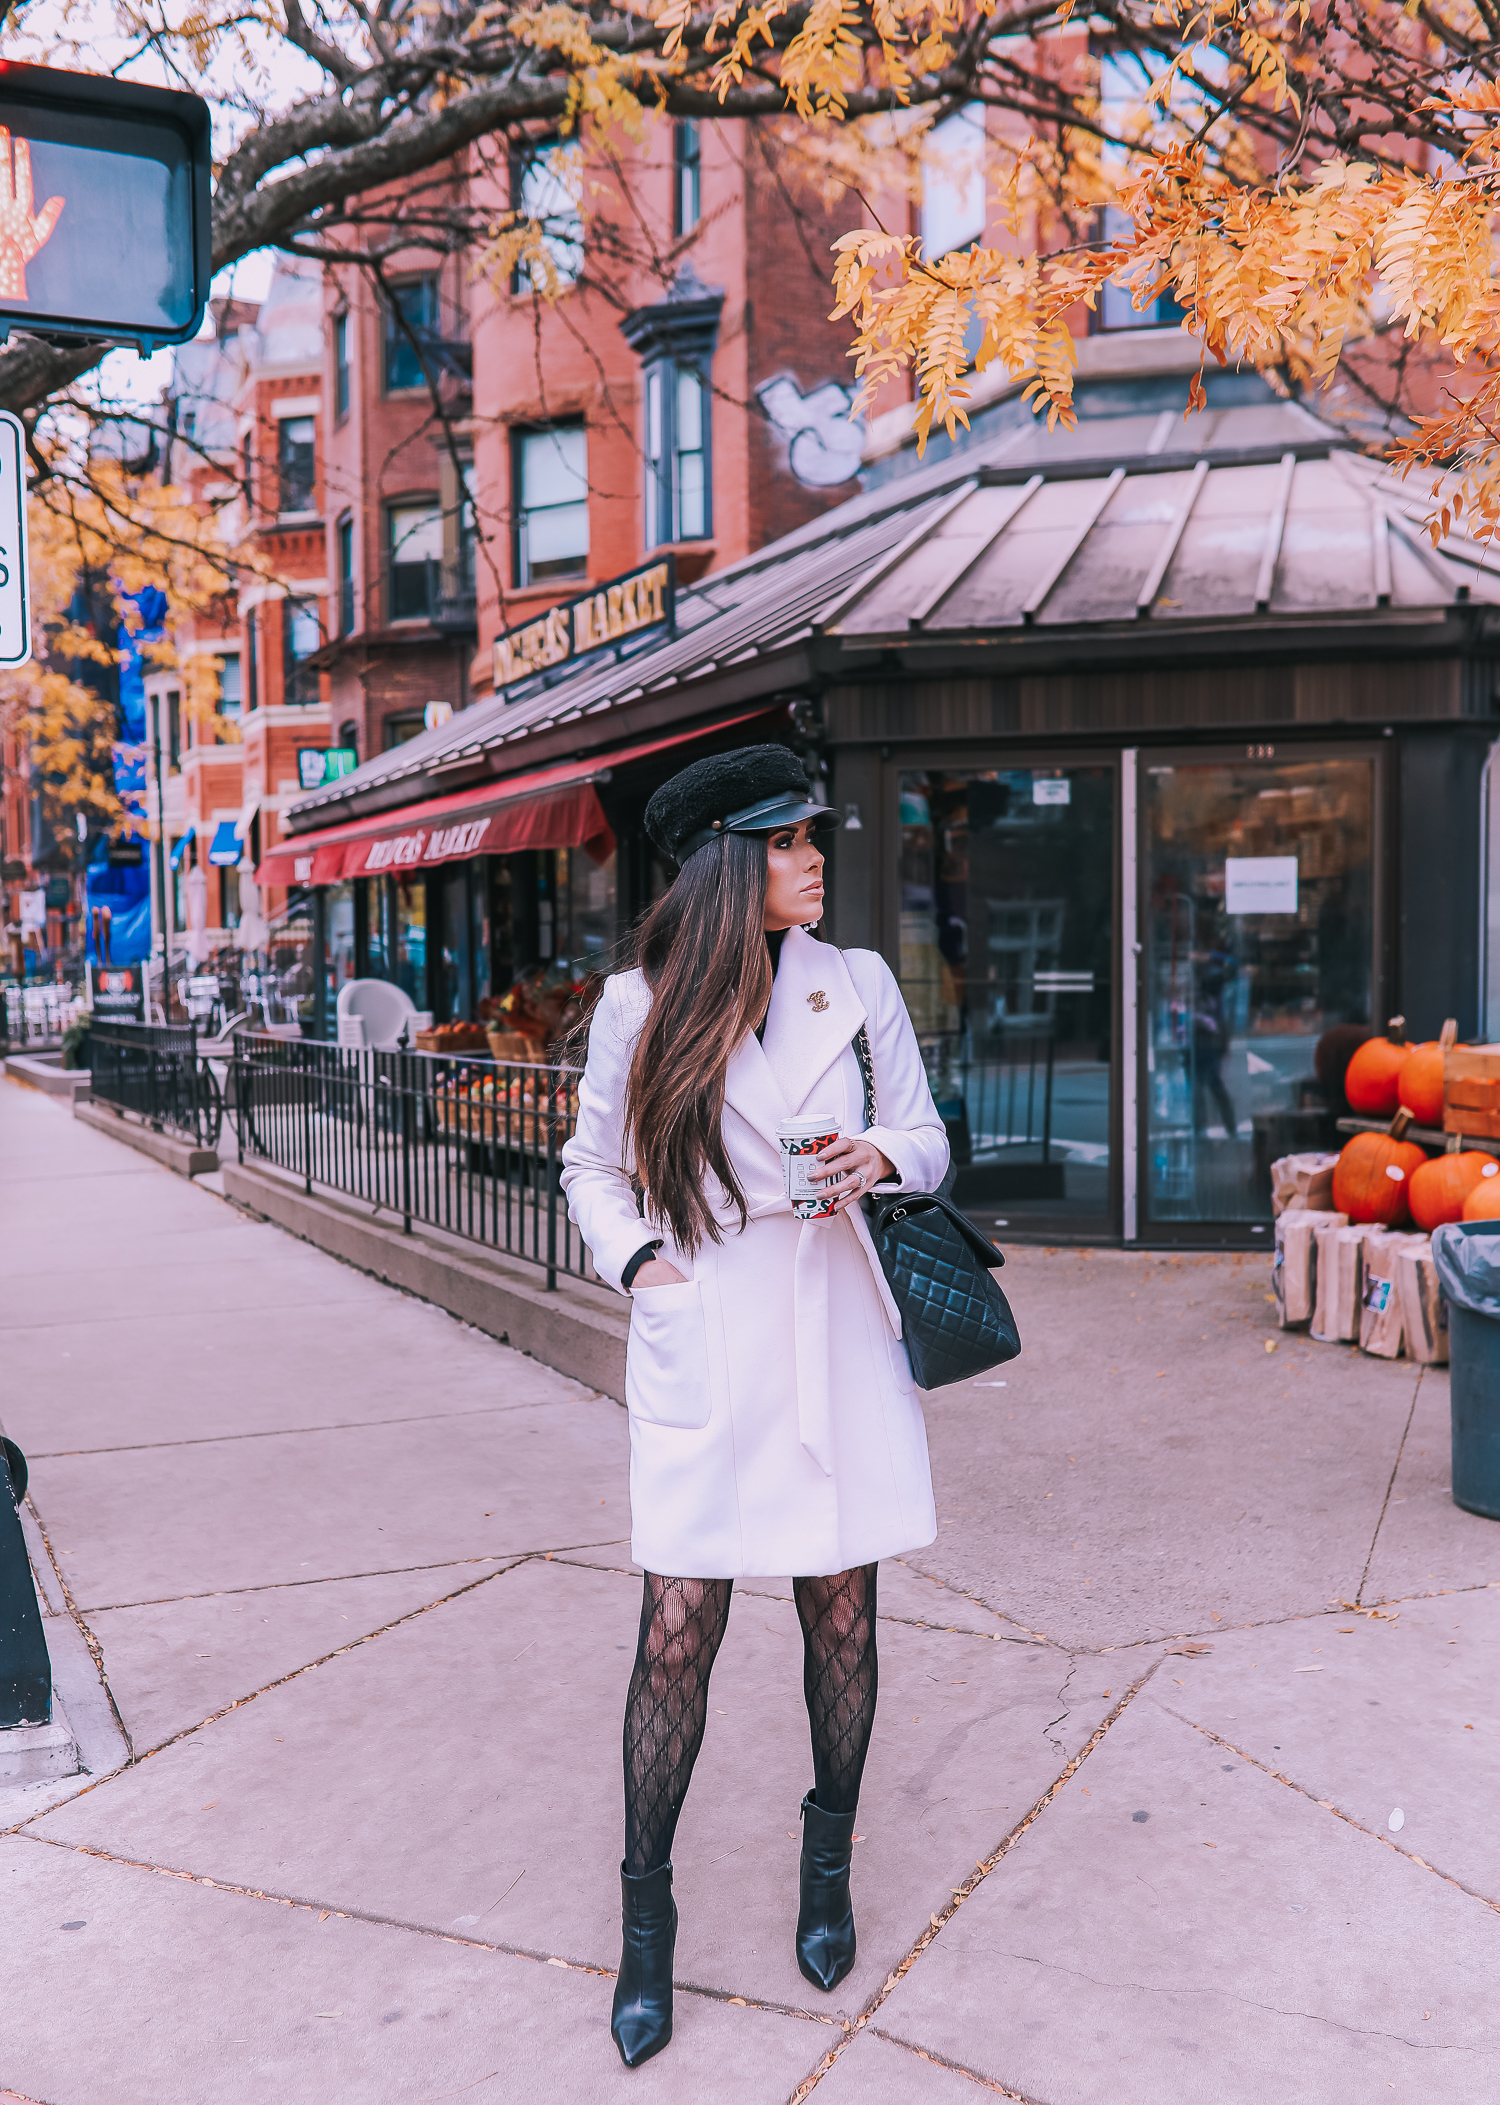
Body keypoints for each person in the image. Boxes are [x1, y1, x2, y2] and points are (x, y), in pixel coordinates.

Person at [560, 744, 950, 2070]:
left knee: (841, 1606)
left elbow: (932, 1133)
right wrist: (641, 1265)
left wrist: (879, 1154)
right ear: (734, 861)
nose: (815, 856)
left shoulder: (861, 983)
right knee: (678, 1627)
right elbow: (592, 1166)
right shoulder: (640, 1003)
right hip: (710, 1338)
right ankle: (647, 1919)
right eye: (789, 840)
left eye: (813, 836)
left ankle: (825, 1862)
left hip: (836, 1330)